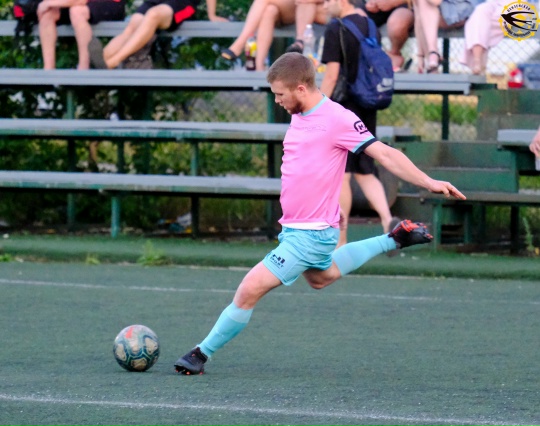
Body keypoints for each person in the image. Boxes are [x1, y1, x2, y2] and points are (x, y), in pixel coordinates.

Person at [173, 52, 466, 375]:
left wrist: (429, 182)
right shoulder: (299, 112)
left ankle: (200, 354)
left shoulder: (337, 118)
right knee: (321, 278)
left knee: (249, 289)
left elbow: (384, 154)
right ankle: (393, 239)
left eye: (280, 94)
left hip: (311, 234)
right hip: (298, 228)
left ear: (301, 88)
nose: (277, 101)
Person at [319, 0, 396, 246]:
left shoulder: (336, 28)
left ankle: (341, 239)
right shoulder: (370, 25)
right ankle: (388, 220)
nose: (325, 5)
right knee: (365, 170)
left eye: (328, 1)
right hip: (367, 104)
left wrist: (317, 109)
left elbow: (331, 76)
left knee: (343, 174)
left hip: (345, 107)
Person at [89, 0, 227, 69]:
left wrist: (212, 14)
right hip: (157, 1)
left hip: (184, 5)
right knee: (133, 25)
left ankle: (114, 61)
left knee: (153, 15)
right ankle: (101, 64)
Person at [37, 0, 126, 70]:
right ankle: (48, 70)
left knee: (77, 12)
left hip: (110, 3)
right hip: (80, 5)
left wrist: (48, 3)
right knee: (47, 15)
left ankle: (84, 67)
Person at [221, 0, 297, 71]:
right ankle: (259, 66)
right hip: (276, 9)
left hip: (296, 8)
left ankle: (239, 44)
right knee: (270, 10)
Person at [412, 0, 482, 73]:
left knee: (425, 4)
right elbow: (418, 15)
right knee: (421, 4)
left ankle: (432, 56)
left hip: (467, 7)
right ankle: (432, 58)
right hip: (447, 8)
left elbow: (436, 2)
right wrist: (420, 55)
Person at [363, 0, 414, 72]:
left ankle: (394, 54)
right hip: (373, 6)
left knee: (396, 24)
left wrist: (394, 2)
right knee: (354, 18)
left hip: (405, 5)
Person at [460, 0, 505, 75]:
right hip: (493, 2)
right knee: (480, 11)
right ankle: (478, 61)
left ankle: (477, 61)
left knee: (479, 24)